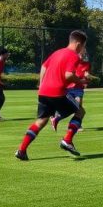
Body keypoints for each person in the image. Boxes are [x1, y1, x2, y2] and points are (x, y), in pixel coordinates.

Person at [15, 30, 89, 160]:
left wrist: (41, 84)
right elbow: (68, 75)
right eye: (83, 46)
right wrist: (81, 80)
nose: (82, 49)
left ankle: (21, 150)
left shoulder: (57, 52)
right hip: (58, 92)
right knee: (80, 111)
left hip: (44, 92)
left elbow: (43, 67)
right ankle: (67, 140)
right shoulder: (73, 56)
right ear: (78, 44)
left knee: (41, 121)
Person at [52, 49, 91, 131]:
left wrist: (87, 76)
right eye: (81, 54)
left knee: (78, 106)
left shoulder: (86, 64)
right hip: (69, 88)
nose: (83, 56)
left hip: (79, 88)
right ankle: (58, 116)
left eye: (84, 54)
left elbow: (86, 74)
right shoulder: (71, 62)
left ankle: (76, 125)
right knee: (77, 107)